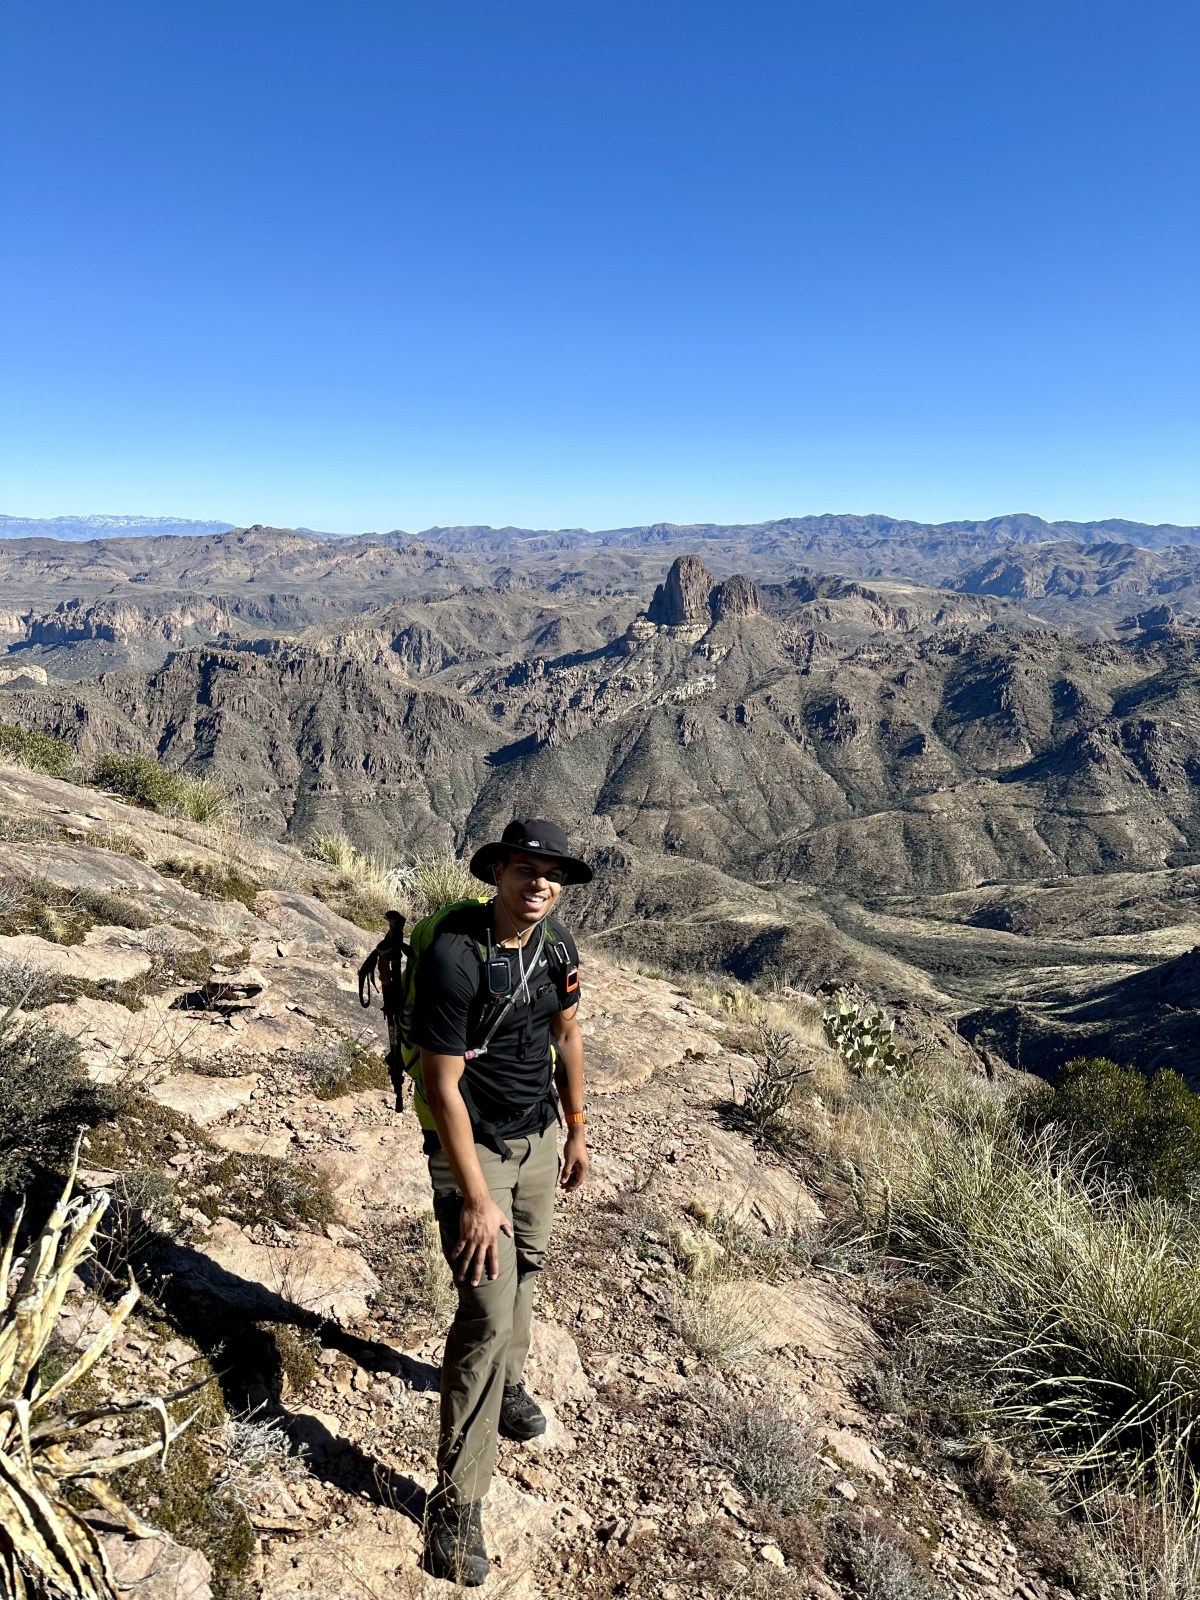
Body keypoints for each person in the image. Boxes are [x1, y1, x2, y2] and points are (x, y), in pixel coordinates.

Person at [412, 817, 592, 1586]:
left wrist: (577, 1127)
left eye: (550, 874)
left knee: (531, 1270)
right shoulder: (457, 958)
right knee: (485, 1314)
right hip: (474, 1152)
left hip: (539, 1139)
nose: (539, 884)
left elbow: (567, 1033)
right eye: (525, 869)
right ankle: (456, 1501)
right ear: (497, 875)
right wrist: (477, 1199)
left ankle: (510, 1388)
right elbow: (439, 1085)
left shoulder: (558, 952)